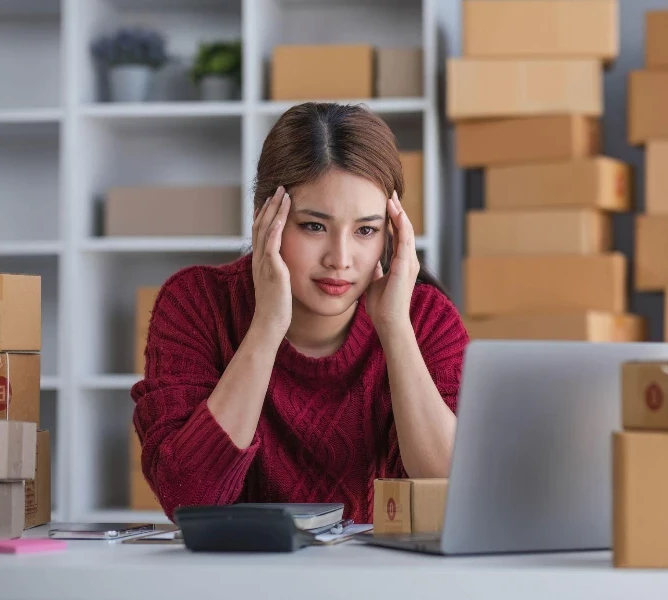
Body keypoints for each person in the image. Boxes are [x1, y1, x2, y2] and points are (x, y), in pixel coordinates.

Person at [131, 102, 470, 524]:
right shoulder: (196, 304)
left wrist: (395, 328)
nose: (340, 259)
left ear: (392, 233)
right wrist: (267, 327)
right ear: (265, 219)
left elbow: (457, 489)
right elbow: (189, 497)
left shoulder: (425, 319)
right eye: (314, 226)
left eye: (366, 230)